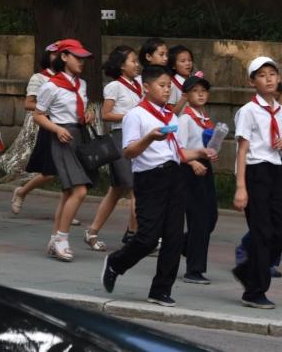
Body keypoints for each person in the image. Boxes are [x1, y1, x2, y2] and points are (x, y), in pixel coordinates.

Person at [100, 65, 214, 306]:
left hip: (175, 176)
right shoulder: (136, 115)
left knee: (173, 238)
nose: (166, 90)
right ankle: (116, 263)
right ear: (146, 87)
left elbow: (179, 152)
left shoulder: (170, 117)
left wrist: (200, 153)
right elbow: (129, 151)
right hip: (150, 178)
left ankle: (160, 289)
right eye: (162, 86)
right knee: (148, 238)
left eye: (169, 87)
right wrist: (150, 136)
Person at [230, 56, 282, 309]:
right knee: (261, 232)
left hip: (275, 170)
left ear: (278, 78)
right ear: (252, 81)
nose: (268, 79)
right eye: (261, 75)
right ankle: (254, 291)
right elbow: (242, 150)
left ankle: (248, 268)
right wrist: (240, 187)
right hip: (255, 172)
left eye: (272, 74)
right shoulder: (248, 111)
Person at [32, 38, 96, 261]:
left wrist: (87, 115)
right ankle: (62, 238)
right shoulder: (51, 85)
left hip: (80, 136)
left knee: (69, 192)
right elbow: (37, 115)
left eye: (84, 58)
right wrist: (57, 129)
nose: (82, 61)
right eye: (77, 57)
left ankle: (54, 239)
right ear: (64, 57)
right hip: (62, 139)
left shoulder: (82, 84)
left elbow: (81, 109)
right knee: (80, 191)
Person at [12, 44, 79, 224]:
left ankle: (66, 210)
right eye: (54, 53)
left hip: (70, 128)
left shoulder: (74, 80)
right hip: (50, 126)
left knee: (69, 170)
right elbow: (29, 104)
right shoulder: (40, 78)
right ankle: (22, 191)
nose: (57, 56)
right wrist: (49, 105)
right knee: (49, 172)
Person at [84, 45, 142, 252]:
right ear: (120, 65)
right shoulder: (114, 87)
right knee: (137, 189)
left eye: (137, 61)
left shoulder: (139, 85)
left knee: (116, 191)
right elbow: (106, 115)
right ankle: (135, 237)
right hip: (121, 139)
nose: (137, 64)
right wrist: (131, 116)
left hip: (138, 139)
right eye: (133, 61)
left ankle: (91, 231)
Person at [178, 75, 220, 284]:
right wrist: (193, 162)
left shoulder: (204, 117)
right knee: (199, 220)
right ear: (186, 95)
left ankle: (182, 245)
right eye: (195, 91)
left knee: (211, 216)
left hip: (205, 167)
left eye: (204, 90)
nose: (201, 94)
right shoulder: (185, 119)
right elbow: (179, 150)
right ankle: (194, 270)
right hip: (190, 171)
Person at [165, 44, 195, 112]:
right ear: (173, 66)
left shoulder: (194, 81)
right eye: (183, 61)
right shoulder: (172, 85)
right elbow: (170, 113)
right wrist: (184, 98)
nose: (187, 63)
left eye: (190, 60)